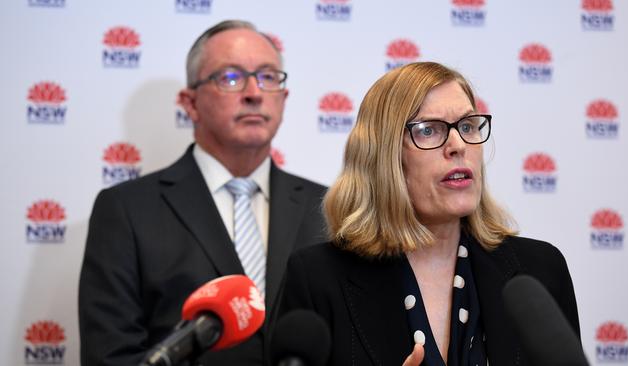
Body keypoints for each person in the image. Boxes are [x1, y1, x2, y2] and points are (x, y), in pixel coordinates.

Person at [277, 62, 580, 366]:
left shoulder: (540, 270)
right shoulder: (316, 278)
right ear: (384, 155)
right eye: (428, 130)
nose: (458, 145)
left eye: (467, 126)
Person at [78, 20, 327, 366]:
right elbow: (110, 356)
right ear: (190, 102)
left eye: (268, 77)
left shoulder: (328, 208)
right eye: (230, 78)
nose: (254, 92)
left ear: (284, 99)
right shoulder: (126, 210)